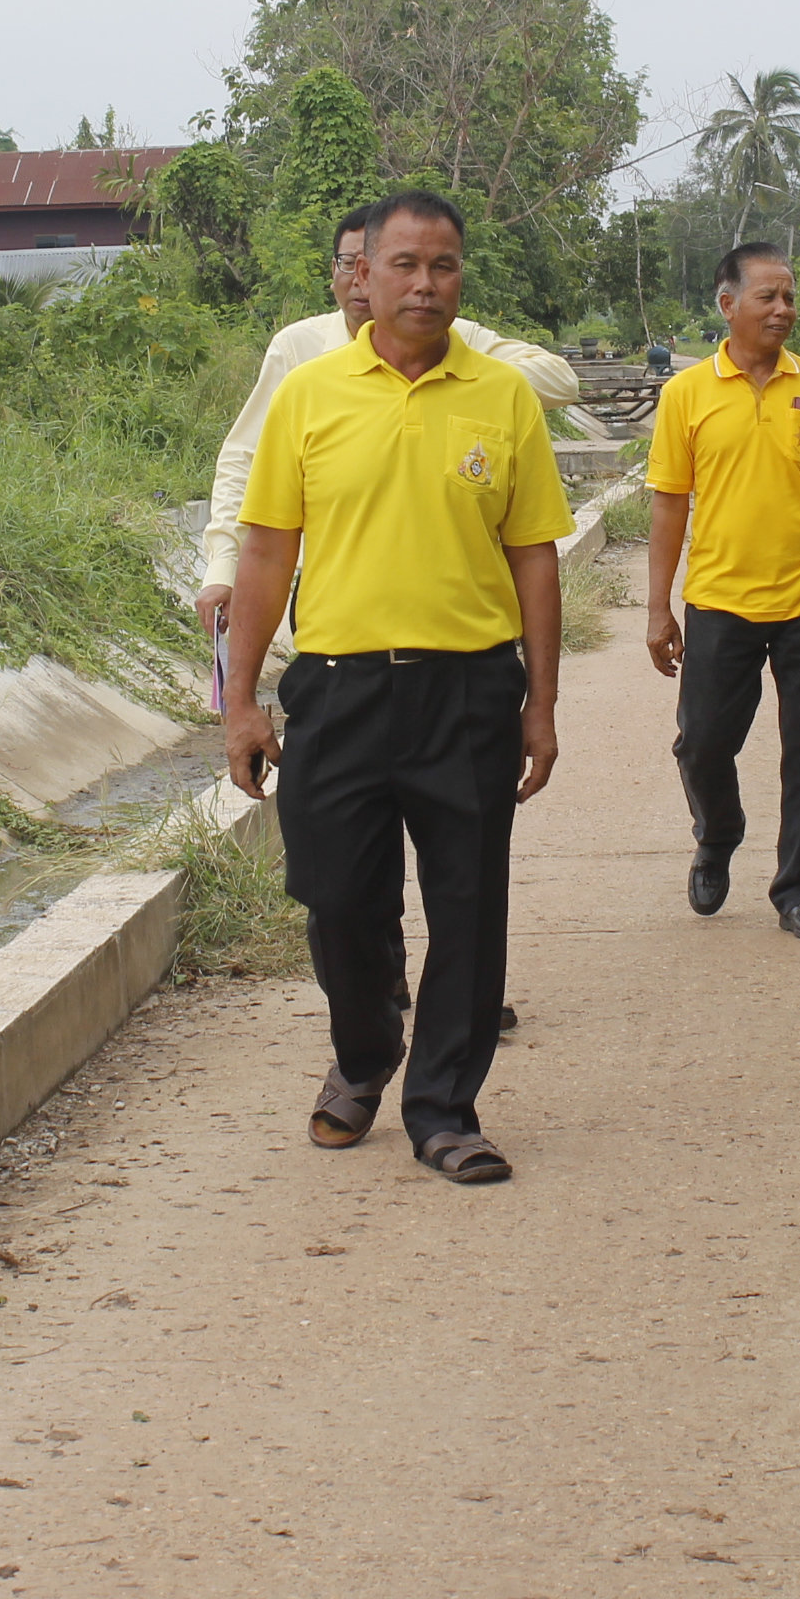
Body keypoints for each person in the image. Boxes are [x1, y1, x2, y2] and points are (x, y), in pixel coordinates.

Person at [220, 192, 570, 1185]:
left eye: (446, 266)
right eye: (405, 265)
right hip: (339, 691)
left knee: (467, 905)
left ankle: (446, 1108)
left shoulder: (500, 397)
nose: (426, 284)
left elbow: (535, 556)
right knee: (337, 899)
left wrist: (539, 704)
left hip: (467, 694)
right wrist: (241, 700)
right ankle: (365, 1052)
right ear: (360, 275)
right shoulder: (310, 394)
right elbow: (264, 552)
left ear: (463, 277)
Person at [193, 207, 579, 636]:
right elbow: (243, 460)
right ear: (349, 269)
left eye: (416, 265)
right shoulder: (299, 352)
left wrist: (463, 386)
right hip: (336, 606)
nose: (359, 281)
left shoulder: (458, 340)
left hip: (460, 626)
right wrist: (223, 566)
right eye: (349, 264)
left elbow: (561, 379)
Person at [644, 243, 800, 942]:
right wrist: (659, 607)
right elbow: (670, 504)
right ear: (727, 304)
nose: (783, 310)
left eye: (790, 297)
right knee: (702, 743)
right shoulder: (686, 394)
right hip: (719, 598)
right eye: (768, 297)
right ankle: (719, 832)